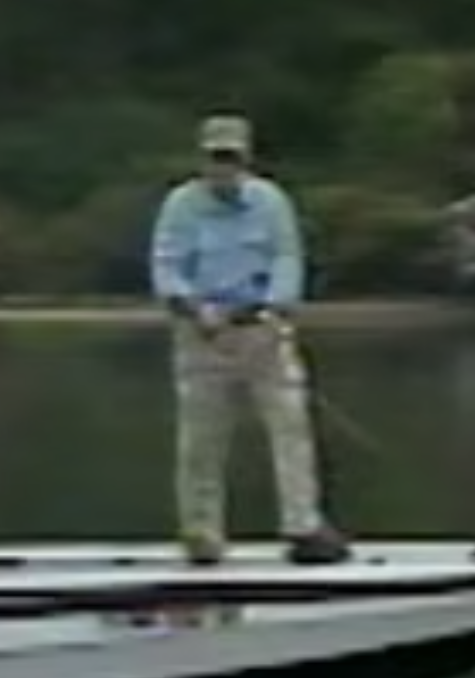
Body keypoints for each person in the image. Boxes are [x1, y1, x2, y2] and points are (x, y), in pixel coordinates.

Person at [148, 114, 351, 566]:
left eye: (231, 158)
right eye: (216, 158)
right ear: (202, 160)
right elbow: (166, 265)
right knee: (202, 439)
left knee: (290, 427)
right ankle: (201, 534)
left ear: (246, 159)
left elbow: (286, 258)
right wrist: (194, 308)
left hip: (263, 330)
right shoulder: (180, 205)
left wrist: (274, 310)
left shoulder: (270, 201)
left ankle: (303, 527)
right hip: (203, 333)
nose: (223, 168)